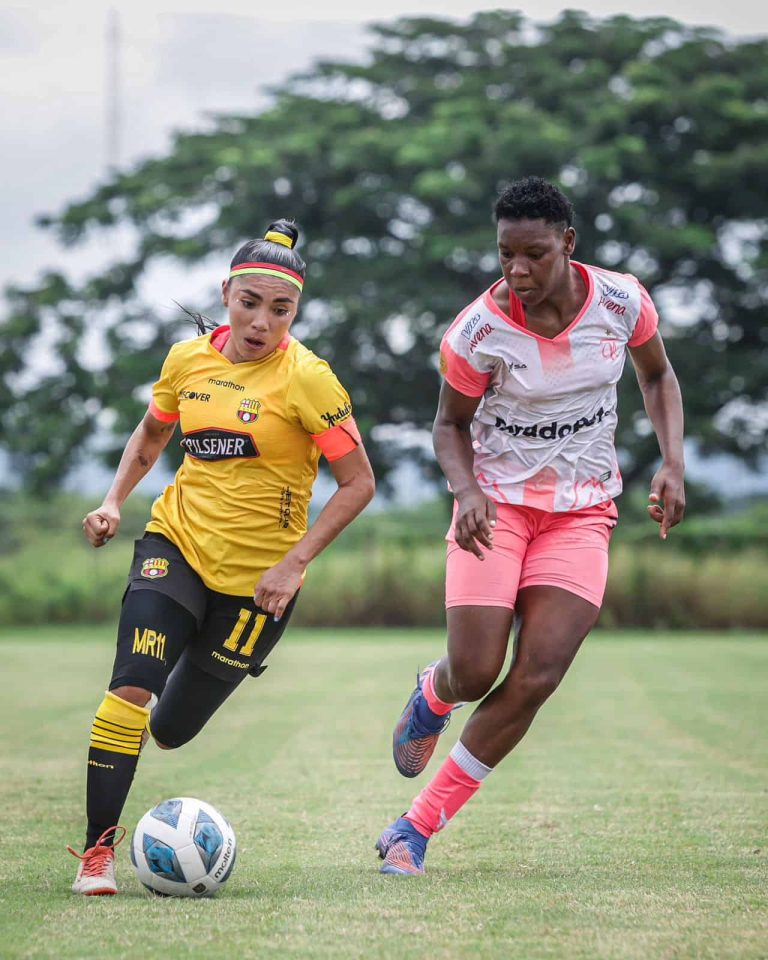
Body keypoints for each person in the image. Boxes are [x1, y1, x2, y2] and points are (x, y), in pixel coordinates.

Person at [375, 176, 685, 875]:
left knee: (538, 674)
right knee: (477, 669)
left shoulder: (621, 301)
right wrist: (465, 489)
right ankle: (435, 690)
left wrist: (672, 463)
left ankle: (414, 830)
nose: (517, 271)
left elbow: (659, 378)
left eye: (534, 254)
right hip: (496, 508)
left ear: (567, 244)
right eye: (505, 255)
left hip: (581, 513)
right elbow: (448, 425)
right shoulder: (477, 332)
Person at [68, 219, 375, 895]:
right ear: (227, 294)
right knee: (130, 687)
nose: (262, 321)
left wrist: (293, 565)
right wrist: (115, 501)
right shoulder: (187, 362)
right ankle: (96, 856)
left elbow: (360, 484)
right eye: (250, 303)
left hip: (258, 589)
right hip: (174, 544)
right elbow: (152, 435)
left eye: (281, 308)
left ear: (296, 311)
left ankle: (170, 687)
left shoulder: (309, 380)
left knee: (172, 729)